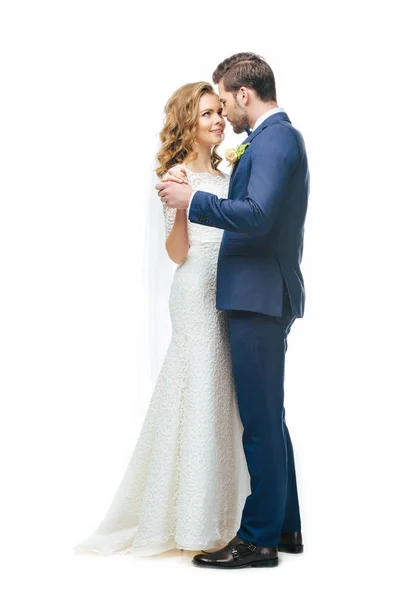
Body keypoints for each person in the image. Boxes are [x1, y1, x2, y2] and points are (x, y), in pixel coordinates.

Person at [74, 81, 251, 557]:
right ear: (188, 124)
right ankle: (189, 521)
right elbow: (177, 254)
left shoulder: (230, 171)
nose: (217, 121)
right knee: (197, 391)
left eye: (219, 112)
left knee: (222, 396)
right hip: (196, 291)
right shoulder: (175, 175)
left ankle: (223, 514)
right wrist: (180, 208)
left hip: (231, 288)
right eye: (207, 115)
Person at [156, 52, 310, 569]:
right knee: (269, 415)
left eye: (222, 101)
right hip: (246, 294)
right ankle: (284, 526)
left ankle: (259, 538)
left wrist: (193, 201)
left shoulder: (276, 139)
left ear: (243, 95)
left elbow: (261, 216)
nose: (222, 113)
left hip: (257, 295)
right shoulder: (267, 143)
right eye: (209, 109)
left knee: (261, 421)